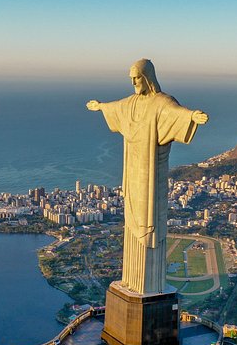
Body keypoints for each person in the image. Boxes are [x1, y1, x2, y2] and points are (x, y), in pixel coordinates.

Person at [87, 59, 208, 295]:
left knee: (149, 219)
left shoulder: (161, 102)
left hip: (151, 172)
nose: (133, 82)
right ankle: (132, 281)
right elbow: (117, 107)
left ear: (147, 78)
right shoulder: (131, 103)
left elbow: (175, 113)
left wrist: (192, 116)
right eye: (131, 78)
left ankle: (150, 286)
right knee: (132, 218)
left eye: (137, 78)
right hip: (133, 170)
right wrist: (100, 106)